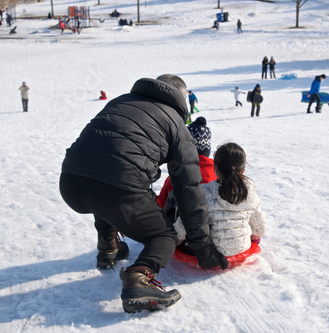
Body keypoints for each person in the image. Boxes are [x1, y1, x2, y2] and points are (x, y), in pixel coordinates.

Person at [59, 74, 228, 313]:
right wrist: (203, 250)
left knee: (104, 185)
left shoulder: (120, 101)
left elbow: (101, 154)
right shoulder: (176, 125)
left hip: (71, 182)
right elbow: (189, 191)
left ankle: (108, 247)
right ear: (181, 99)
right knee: (163, 236)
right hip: (116, 189)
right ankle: (139, 278)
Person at [173, 142, 267, 257]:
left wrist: (176, 239)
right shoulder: (249, 193)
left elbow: (186, 223)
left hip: (211, 252)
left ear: (215, 168)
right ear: (242, 170)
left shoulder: (204, 192)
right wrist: (254, 235)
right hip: (242, 248)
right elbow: (260, 228)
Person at [156, 116, 216, 222]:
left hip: (184, 233)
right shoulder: (219, 174)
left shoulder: (175, 178)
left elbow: (160, 207)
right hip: (217, 232)